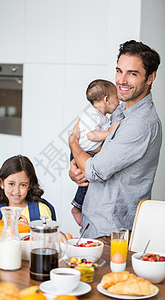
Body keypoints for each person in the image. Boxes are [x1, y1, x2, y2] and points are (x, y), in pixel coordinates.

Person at [69, 40, 162, 244]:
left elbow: (95, 170)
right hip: (96, 226)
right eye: (119, 71)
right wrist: (74, 170)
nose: (122, 80)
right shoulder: (121, 110)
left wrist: (73, 145)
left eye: (132, 73)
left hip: (113, 233)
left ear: (151, 77)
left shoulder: (141, 124)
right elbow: (93, 160)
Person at [71, 79, 119, 226]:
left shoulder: (100, 115)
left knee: (86, 180)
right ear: (106, 99)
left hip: (87, 151)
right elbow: (92, 136)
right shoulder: (93, 115)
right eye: (116, 97)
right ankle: (77, 207)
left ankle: (78, 207)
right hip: (84, 151)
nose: (119, 101)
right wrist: (110, 132)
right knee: (86, 181)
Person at [0, 155, 56, 224]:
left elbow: (49, 234)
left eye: (23, 185)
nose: (16, 191)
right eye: (11, 184)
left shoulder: (41, 211)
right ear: (2, 183)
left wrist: (29, 229)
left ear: (30, 185)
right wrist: (7, 223)